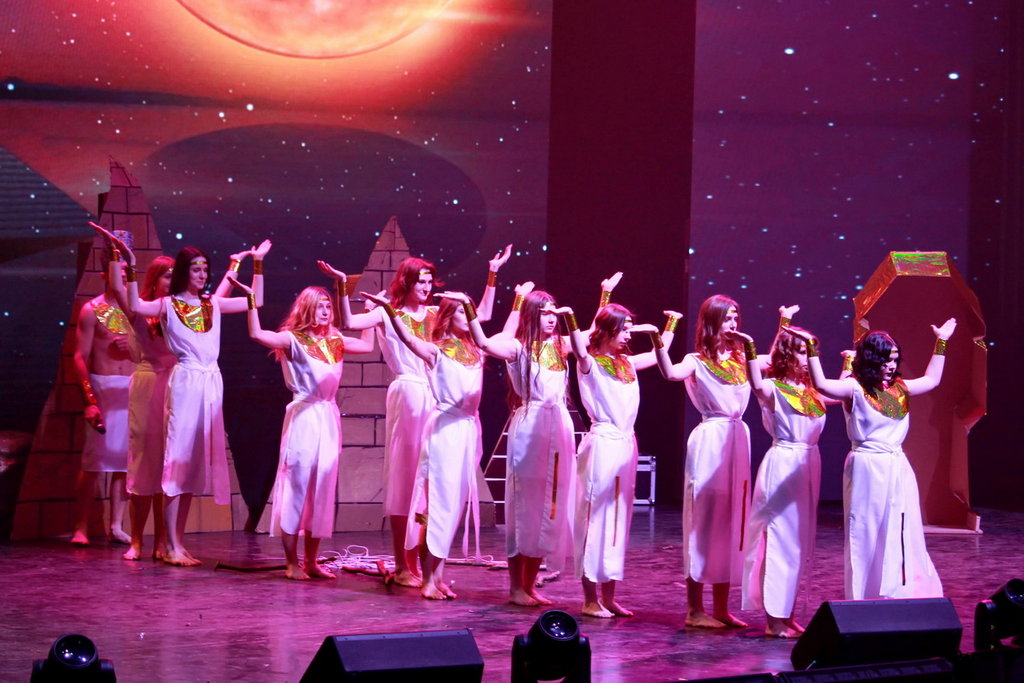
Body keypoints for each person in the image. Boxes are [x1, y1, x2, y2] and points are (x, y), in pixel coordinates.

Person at [332, 246, 511, 587]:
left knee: (430, 484)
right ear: (406, 282)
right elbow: (350, 323)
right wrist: (342, 286)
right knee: (405, 480)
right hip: (409, 395)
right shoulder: (387, 312)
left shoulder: (434, 313)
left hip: (438, 398)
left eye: (430, 282)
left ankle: (423, 565)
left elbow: (482, 315)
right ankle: (403, 565)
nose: (426, 288)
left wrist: (493, 273)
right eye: (420, 282)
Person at [114, 237, 270, 566]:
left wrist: (257, 263)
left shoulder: (212, 304)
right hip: (185, 382)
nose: (202, 275)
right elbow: (135, 305)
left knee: (191, 468)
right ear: (185, 272)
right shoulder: (167, 305)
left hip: (210, 383)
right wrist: (129, 264)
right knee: (177, 461)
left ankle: (177, 543)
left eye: (205, 270)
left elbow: (256, 300)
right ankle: (169, 546)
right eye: (196, 270)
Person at [789, 318, 957, 600]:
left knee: (902, 528)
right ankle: (867, 596)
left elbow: (932, 380)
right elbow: (821, 384)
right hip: (867, 467)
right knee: (867, 531)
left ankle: (902, 592)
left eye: (895, 359)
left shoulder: (900, 389)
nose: (892, 365)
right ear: (872, 359)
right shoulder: (854, 388)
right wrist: (811, 349)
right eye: (886, 359)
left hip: (897, 466)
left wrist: (941, 342)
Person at [465, 281, 602, 606]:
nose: (551, 318)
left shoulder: (561, 346)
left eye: (554, 313)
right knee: (524, 507)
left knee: (549, 506)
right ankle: (516, 587)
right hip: (530, 428)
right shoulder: (517, 348)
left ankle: (529, 585)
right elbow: (483, 342)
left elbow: (594, 332)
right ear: (531, 316)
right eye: (544, 313)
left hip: (559, 427)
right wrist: (473, 307)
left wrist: (604, 293)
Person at [231, 274, 374, 580]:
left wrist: (371, 313)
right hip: (304, 417)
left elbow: (367, 344)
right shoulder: (293, 339)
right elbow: (256, 334)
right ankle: (291, 563)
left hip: (328, 418)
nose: (326, 311)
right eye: (320, 306)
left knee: (322, 487)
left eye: (328, 306)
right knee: (297, 486)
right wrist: (251, 301)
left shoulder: (336, 341)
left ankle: (311, 561)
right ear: (307, 308)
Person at [363, 289, 486, 600]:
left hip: (467, 432)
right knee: (436, 505)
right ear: (448, 318)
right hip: (443, 432)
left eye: (469, 311)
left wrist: (496, 279)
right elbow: (408, 339)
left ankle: (438, 576)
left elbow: (497, 331)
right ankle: (428, 578)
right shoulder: (435, 350)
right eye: (462, 312)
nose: (468, 317)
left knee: (453, 506)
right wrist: (388, 310)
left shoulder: (477, 350)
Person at [561, 300, 668, 618]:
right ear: (607, 330)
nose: (628, 336)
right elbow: (578, 347)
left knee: (618, 521)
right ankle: (589, 599)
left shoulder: (628, 363)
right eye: (623, 330)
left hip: (625, 444)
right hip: (603, 445)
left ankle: (609, 597)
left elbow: (660, 356)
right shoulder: (589, 362)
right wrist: (570, 318)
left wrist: (664, 329)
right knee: (594, 519)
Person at [732, 306, 829, 638]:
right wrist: (749, 347)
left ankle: (786, 613)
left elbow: (842, 390)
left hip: (808, 465)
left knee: (798, 544)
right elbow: (756, 383)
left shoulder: (813, 391)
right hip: (784, 464)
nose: (808, 357)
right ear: (788, 355)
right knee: (778, 541)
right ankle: (774, 618)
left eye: (811, 351)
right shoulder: (772, 388)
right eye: (802, 351)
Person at [655, 294, 750, 628]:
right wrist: (659, 338)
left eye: (736, 318)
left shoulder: (742, 359)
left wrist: (785, 326)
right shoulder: (695, 360)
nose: (733, 324)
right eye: (727, 319)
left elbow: (778, 363)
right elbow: (670, 373)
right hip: (711, 441)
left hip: (737, 440)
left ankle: (721, 608)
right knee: (703, 522)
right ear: (712, 322)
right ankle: (695, 609)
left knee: (731, 523)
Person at [70, 243, 134, 546]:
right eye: (115, 270)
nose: (121, 275)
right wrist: (90, 400)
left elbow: (156, 351)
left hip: (131, 388)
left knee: (126, 461)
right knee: (94, 461)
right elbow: (80, 357)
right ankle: (81, 527)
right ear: (104, 274)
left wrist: (133, 347)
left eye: (125, 270)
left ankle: (117, 525)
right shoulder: (92, 310)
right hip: (103, 388)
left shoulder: (137, 309)